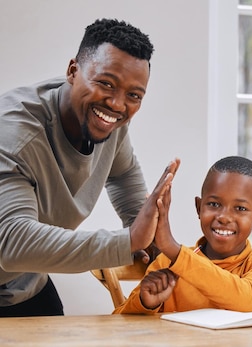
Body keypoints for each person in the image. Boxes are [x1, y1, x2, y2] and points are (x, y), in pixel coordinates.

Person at [0, 18, 179, 317]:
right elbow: (13, 241)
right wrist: (128, 240)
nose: (117, 104)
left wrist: (147, 232)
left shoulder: (110, 121)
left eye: (134, 95)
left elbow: (122, 173)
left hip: (24, 281)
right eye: (106, 83)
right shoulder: (15, 135)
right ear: (73, 71)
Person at [113, 156, 252, 314]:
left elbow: (247, 299)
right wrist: (145, 303)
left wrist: (173, 250)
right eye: (214, 204)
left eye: (240, 208)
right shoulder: (166, 263)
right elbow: (118, 321)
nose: (224, 217)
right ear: (198, 207)